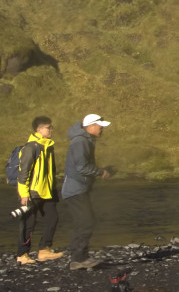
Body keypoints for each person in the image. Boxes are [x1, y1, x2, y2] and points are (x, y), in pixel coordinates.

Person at [60, 113, 112, 270]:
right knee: (86, 222)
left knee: (83, 222)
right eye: (100, 127)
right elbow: (81, 167)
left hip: (78, 188)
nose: (102, 130)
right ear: (91, 127)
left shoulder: (85, 140)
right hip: (75, 189)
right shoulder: (81, 141)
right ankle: (78, 259)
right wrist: (100, 172)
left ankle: (79, 258)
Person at [15, 116, 62, 264]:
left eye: (51, 127)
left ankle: (44, 250)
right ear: (39, 129)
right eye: (48, 127)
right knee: (29, 223)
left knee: (52, 218)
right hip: (32, 192)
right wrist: (24, 194)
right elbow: (23, 173)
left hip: (47, 191)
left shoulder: (48, 146)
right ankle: (22, 255)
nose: (51, 130)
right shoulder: (31, 147)